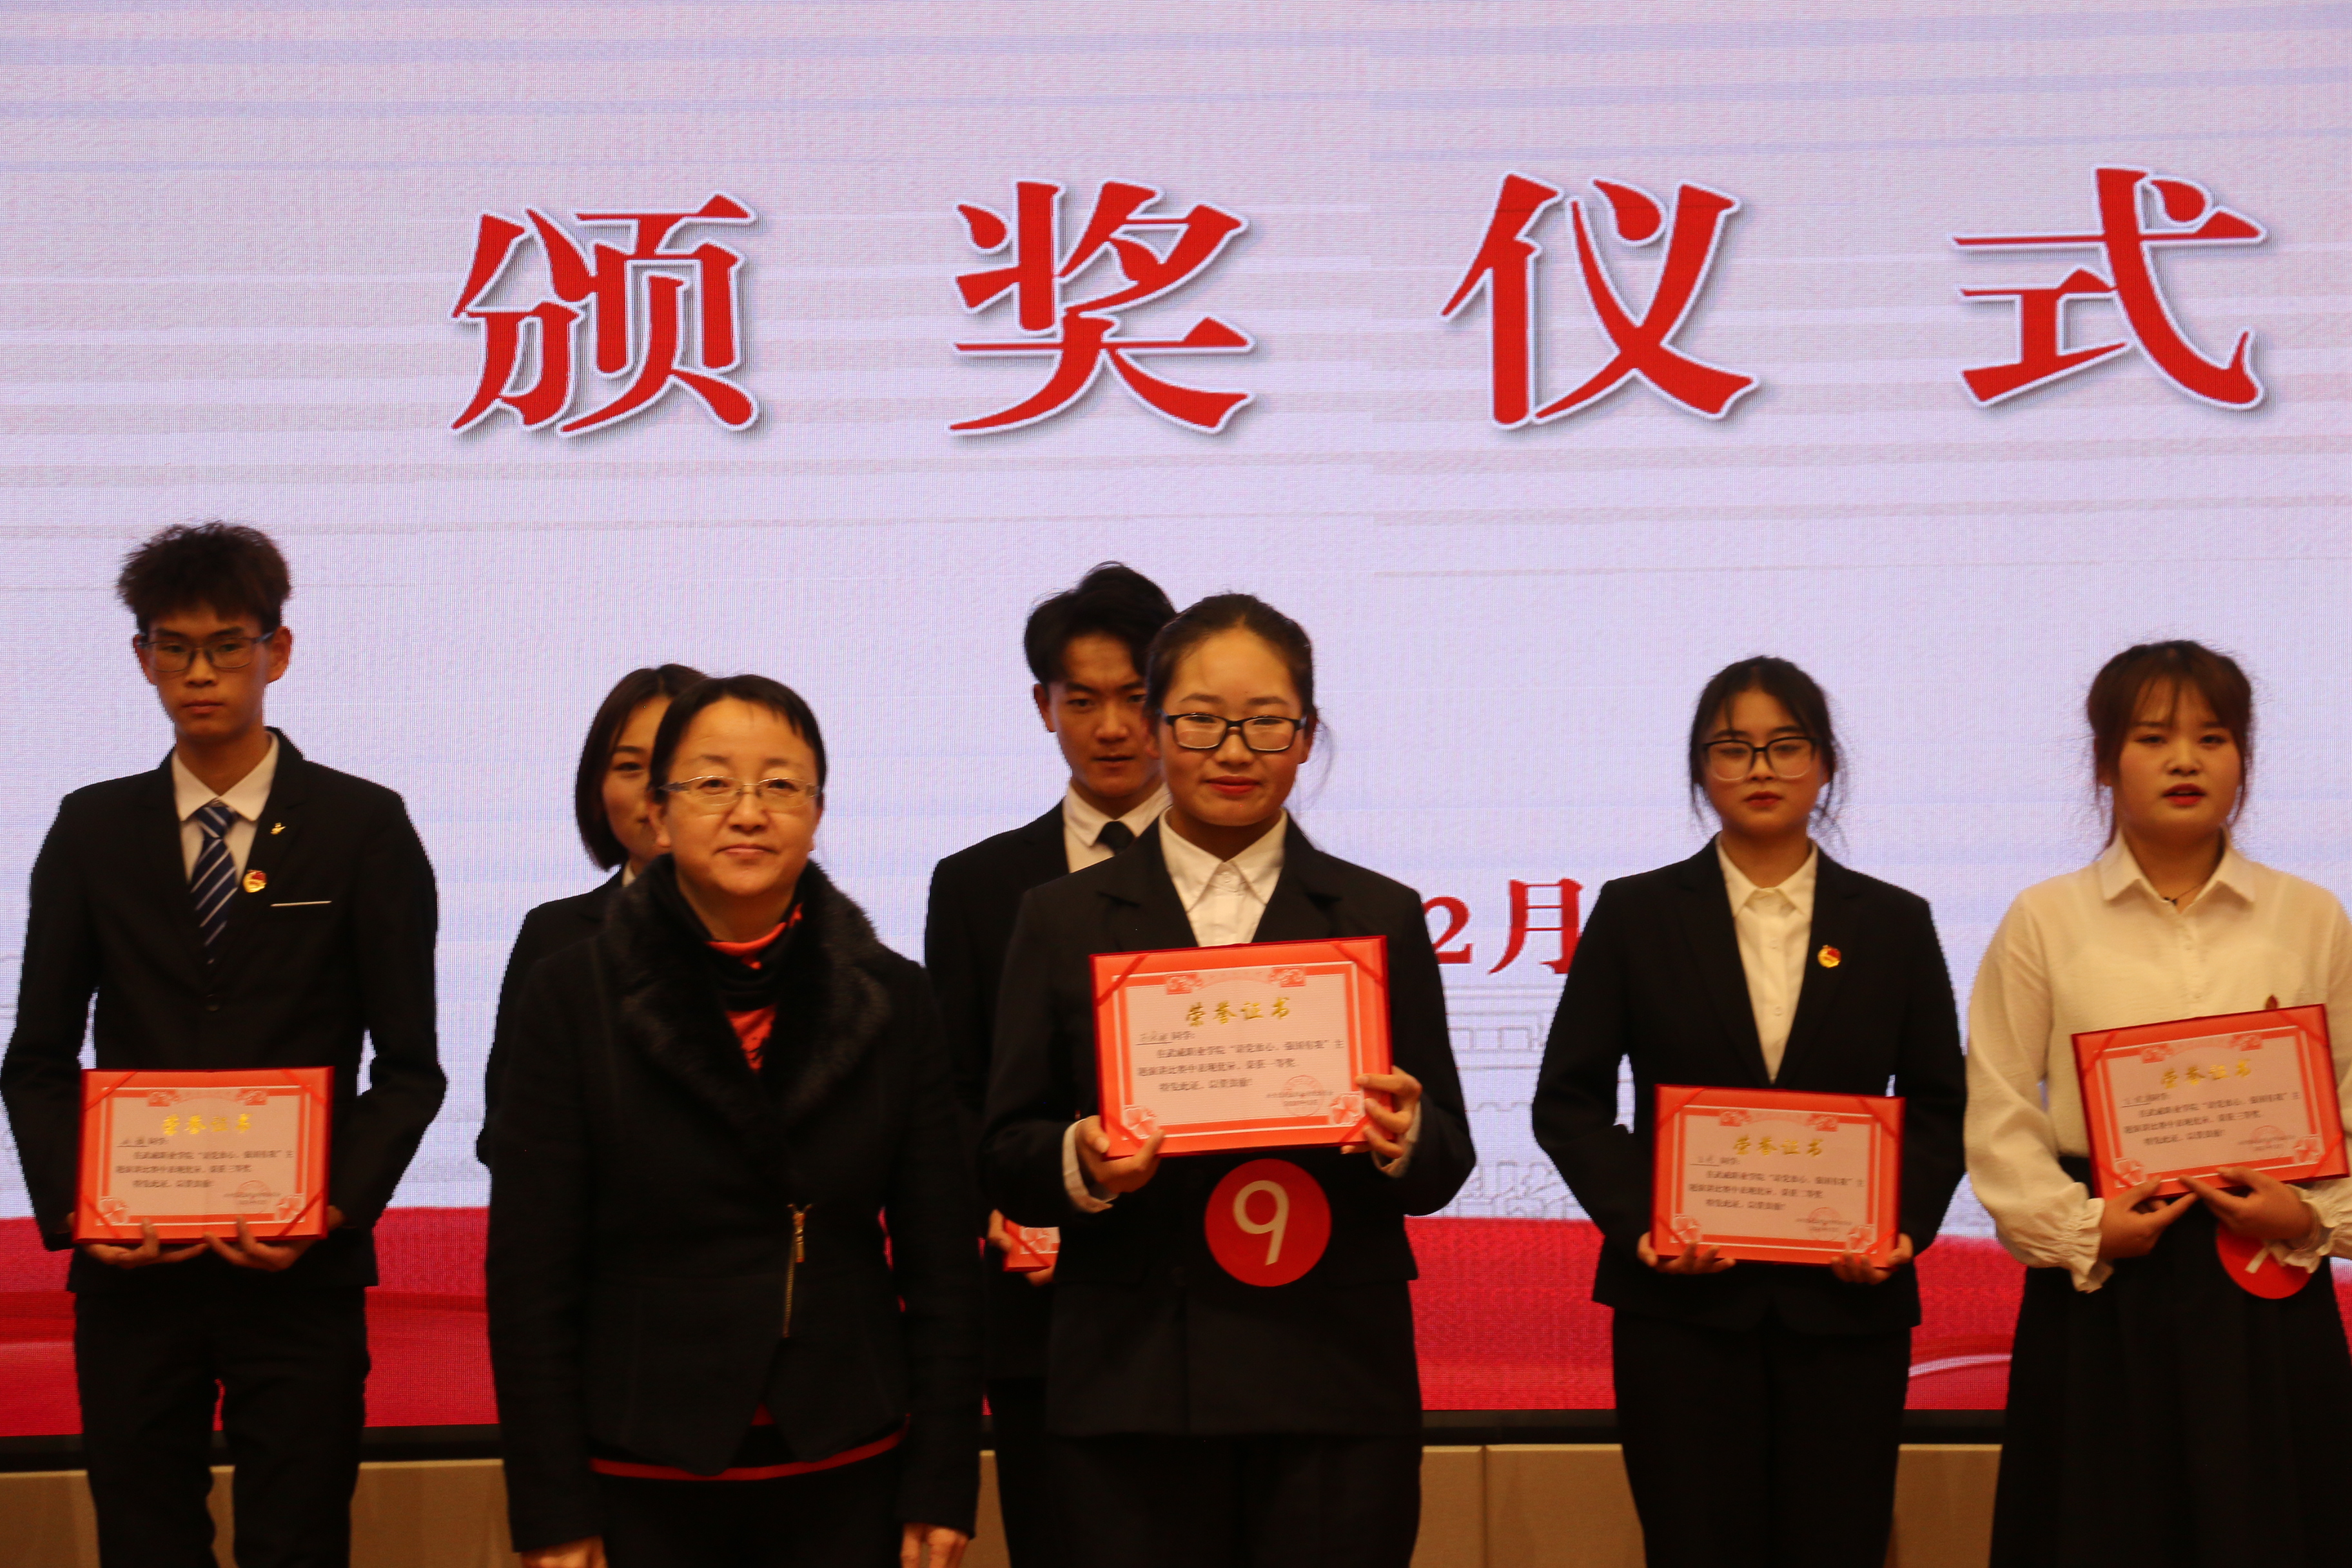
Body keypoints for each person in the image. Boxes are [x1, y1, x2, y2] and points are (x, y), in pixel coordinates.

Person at [981, 594, 1475, 1568]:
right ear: (1158, 728)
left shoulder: (1378, 915)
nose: (1234, 750)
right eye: (1202, 720)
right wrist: (1081, 1160)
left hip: (1332, 1382)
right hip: (1132, 1380)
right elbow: (1005, 1150)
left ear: (1307, 736)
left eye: (1267, 723)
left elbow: (1446, 1157)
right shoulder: (1062, 918)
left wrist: (1407, 1137)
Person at [0, 521, 443, 1568]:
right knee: (144, 1540)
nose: (200, 673)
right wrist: (80, 1214)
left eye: (226, 645)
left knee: (299, 1541)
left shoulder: (363, 826)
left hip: (300, 1273)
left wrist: (330, 1207)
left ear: (275, 652)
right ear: (143, 657)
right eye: (175, 646)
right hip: (134, 1276)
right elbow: (38, 1057)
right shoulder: (91, 829)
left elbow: (409, 1070)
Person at [486, 674, 981, 1568]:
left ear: (817, 813)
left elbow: (943, 1263)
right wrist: (552, 1504)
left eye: (781, 784)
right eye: (713, 783)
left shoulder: (894, 996)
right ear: (659, 812)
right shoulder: (572, 996)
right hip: (641, 1458)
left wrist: (942, 1478)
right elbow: (530, 1277)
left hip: (847, 1454)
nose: (749, 811)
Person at [1531, 656, 1966, 1568]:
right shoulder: (1637, 913)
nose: (1761, 769)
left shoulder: (1894, 921)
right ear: (1701, 768)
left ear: (1826, 763)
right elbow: (1569, 1099)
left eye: (1785, 745)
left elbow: (1940, 1101)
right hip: (1683, 1310)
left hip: (1847, 1307)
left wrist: (1898, 1225)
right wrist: (1645, 1220)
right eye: (1733, 748)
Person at [1966, 640, 2352, 1567]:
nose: (2186, 760)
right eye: (2152, 737)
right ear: (2105, 762)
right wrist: (2083, 1228)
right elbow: (2000, 1107)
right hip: (2105, 1281)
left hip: (2266, 1273)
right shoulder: (2045, 918)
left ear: (2243, 759)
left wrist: (2312, 1218)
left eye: (2212, 738)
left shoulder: (2310, 918)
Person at [923, 562, 1175, 1568]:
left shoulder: (1249, 879)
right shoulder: (978, 886)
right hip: (1046, 1310)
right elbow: (951, 1089)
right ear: (1044, 708)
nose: (1112, 728)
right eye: (1083, 701)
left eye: (1136, 699)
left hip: (1210, 1302)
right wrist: (1003, 1199)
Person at [478, 662, 705, 1160]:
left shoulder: (794, 936)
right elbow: (506, 1130)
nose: (656, 790)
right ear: (597, 790)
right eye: (630, 767)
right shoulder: (553, 936)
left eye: (683, 765)